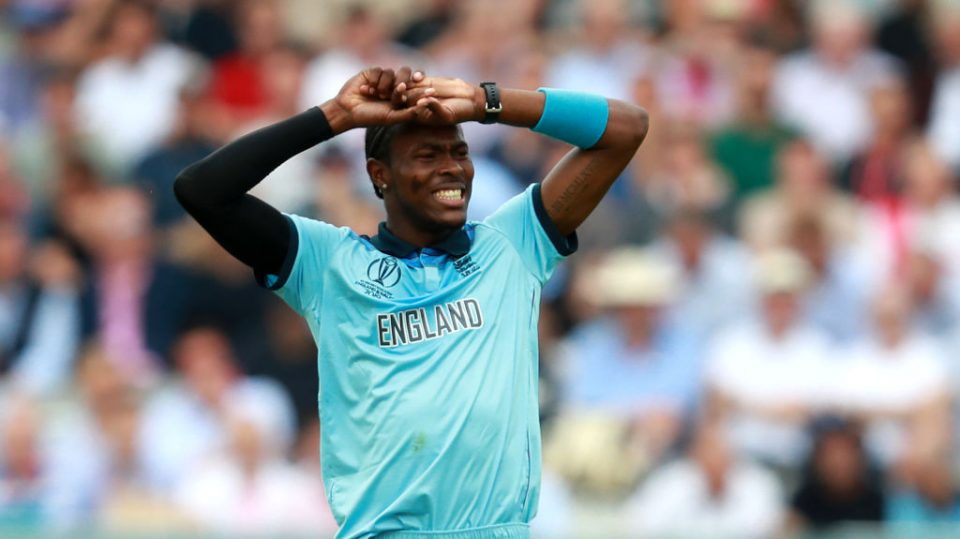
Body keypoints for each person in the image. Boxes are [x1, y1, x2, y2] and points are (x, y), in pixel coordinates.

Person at [175, 66, 648, 538]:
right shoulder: (329, 265)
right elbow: (203, 191)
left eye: (459, 152)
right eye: (427, 154)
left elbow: (627, 129)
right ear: (380, 175)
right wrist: (335, 116)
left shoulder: (510, 245)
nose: (452, 168)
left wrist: (487, 102)